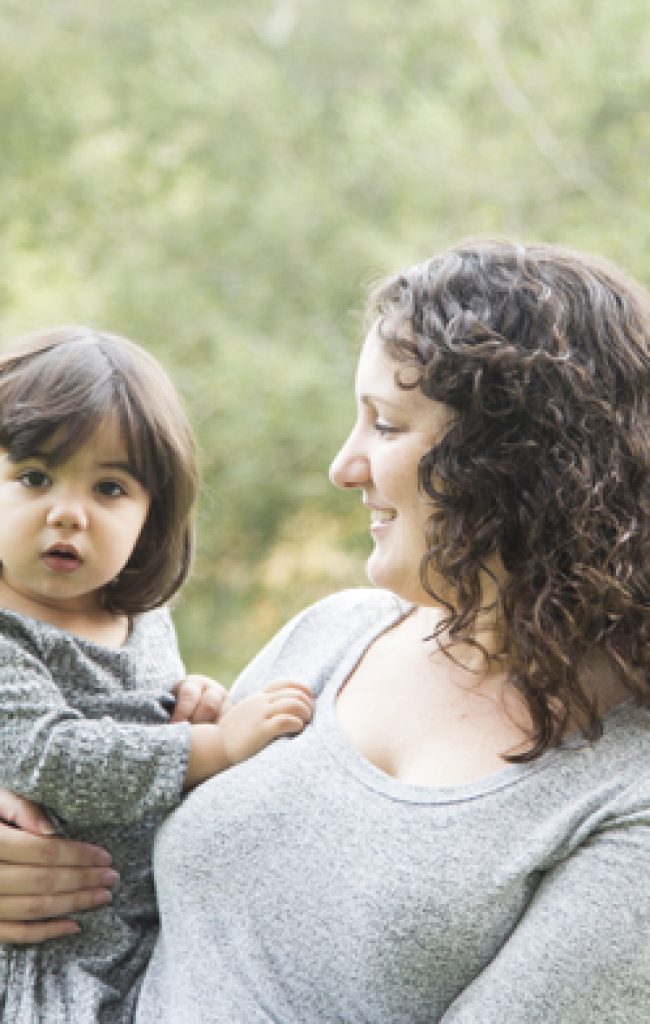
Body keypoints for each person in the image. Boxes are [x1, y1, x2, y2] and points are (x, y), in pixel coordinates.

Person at [0, 238, 649, 1022]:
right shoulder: (332, 636)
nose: (343, 466)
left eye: (385, 424)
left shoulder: (626, 792)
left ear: (514, 461)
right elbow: (133, 844)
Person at [0, 327, 313, 1023]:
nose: (68, 512)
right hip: (49, 964)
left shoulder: (142, 620)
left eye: (110, 487)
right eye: (34, 476)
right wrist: (216, 747)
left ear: (153, 516)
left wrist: (188, 701)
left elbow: (143, 728)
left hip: (159, 949)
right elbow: (50, 754)